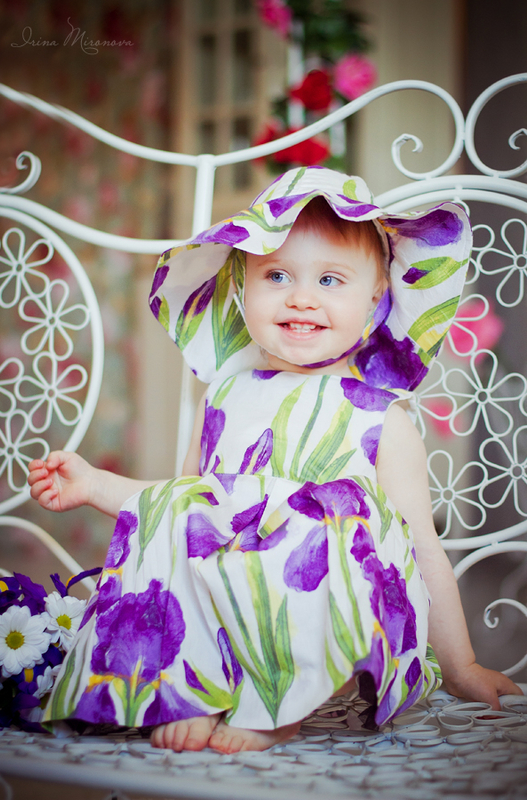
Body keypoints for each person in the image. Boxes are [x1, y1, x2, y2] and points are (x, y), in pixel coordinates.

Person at [28, 166, 521, 755]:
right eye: (277, 275)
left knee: (317, 520)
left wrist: (462, 667)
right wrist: (94, 484)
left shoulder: (380, 418)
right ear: (242, 287)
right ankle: (194, 688)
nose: (301, 297)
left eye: (330, 279)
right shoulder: (223, 398)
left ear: (375, 296)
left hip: (340, 637)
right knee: (189, 518)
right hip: (230, 629)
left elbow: (420, 547)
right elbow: (182, 515)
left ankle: (279, 699)